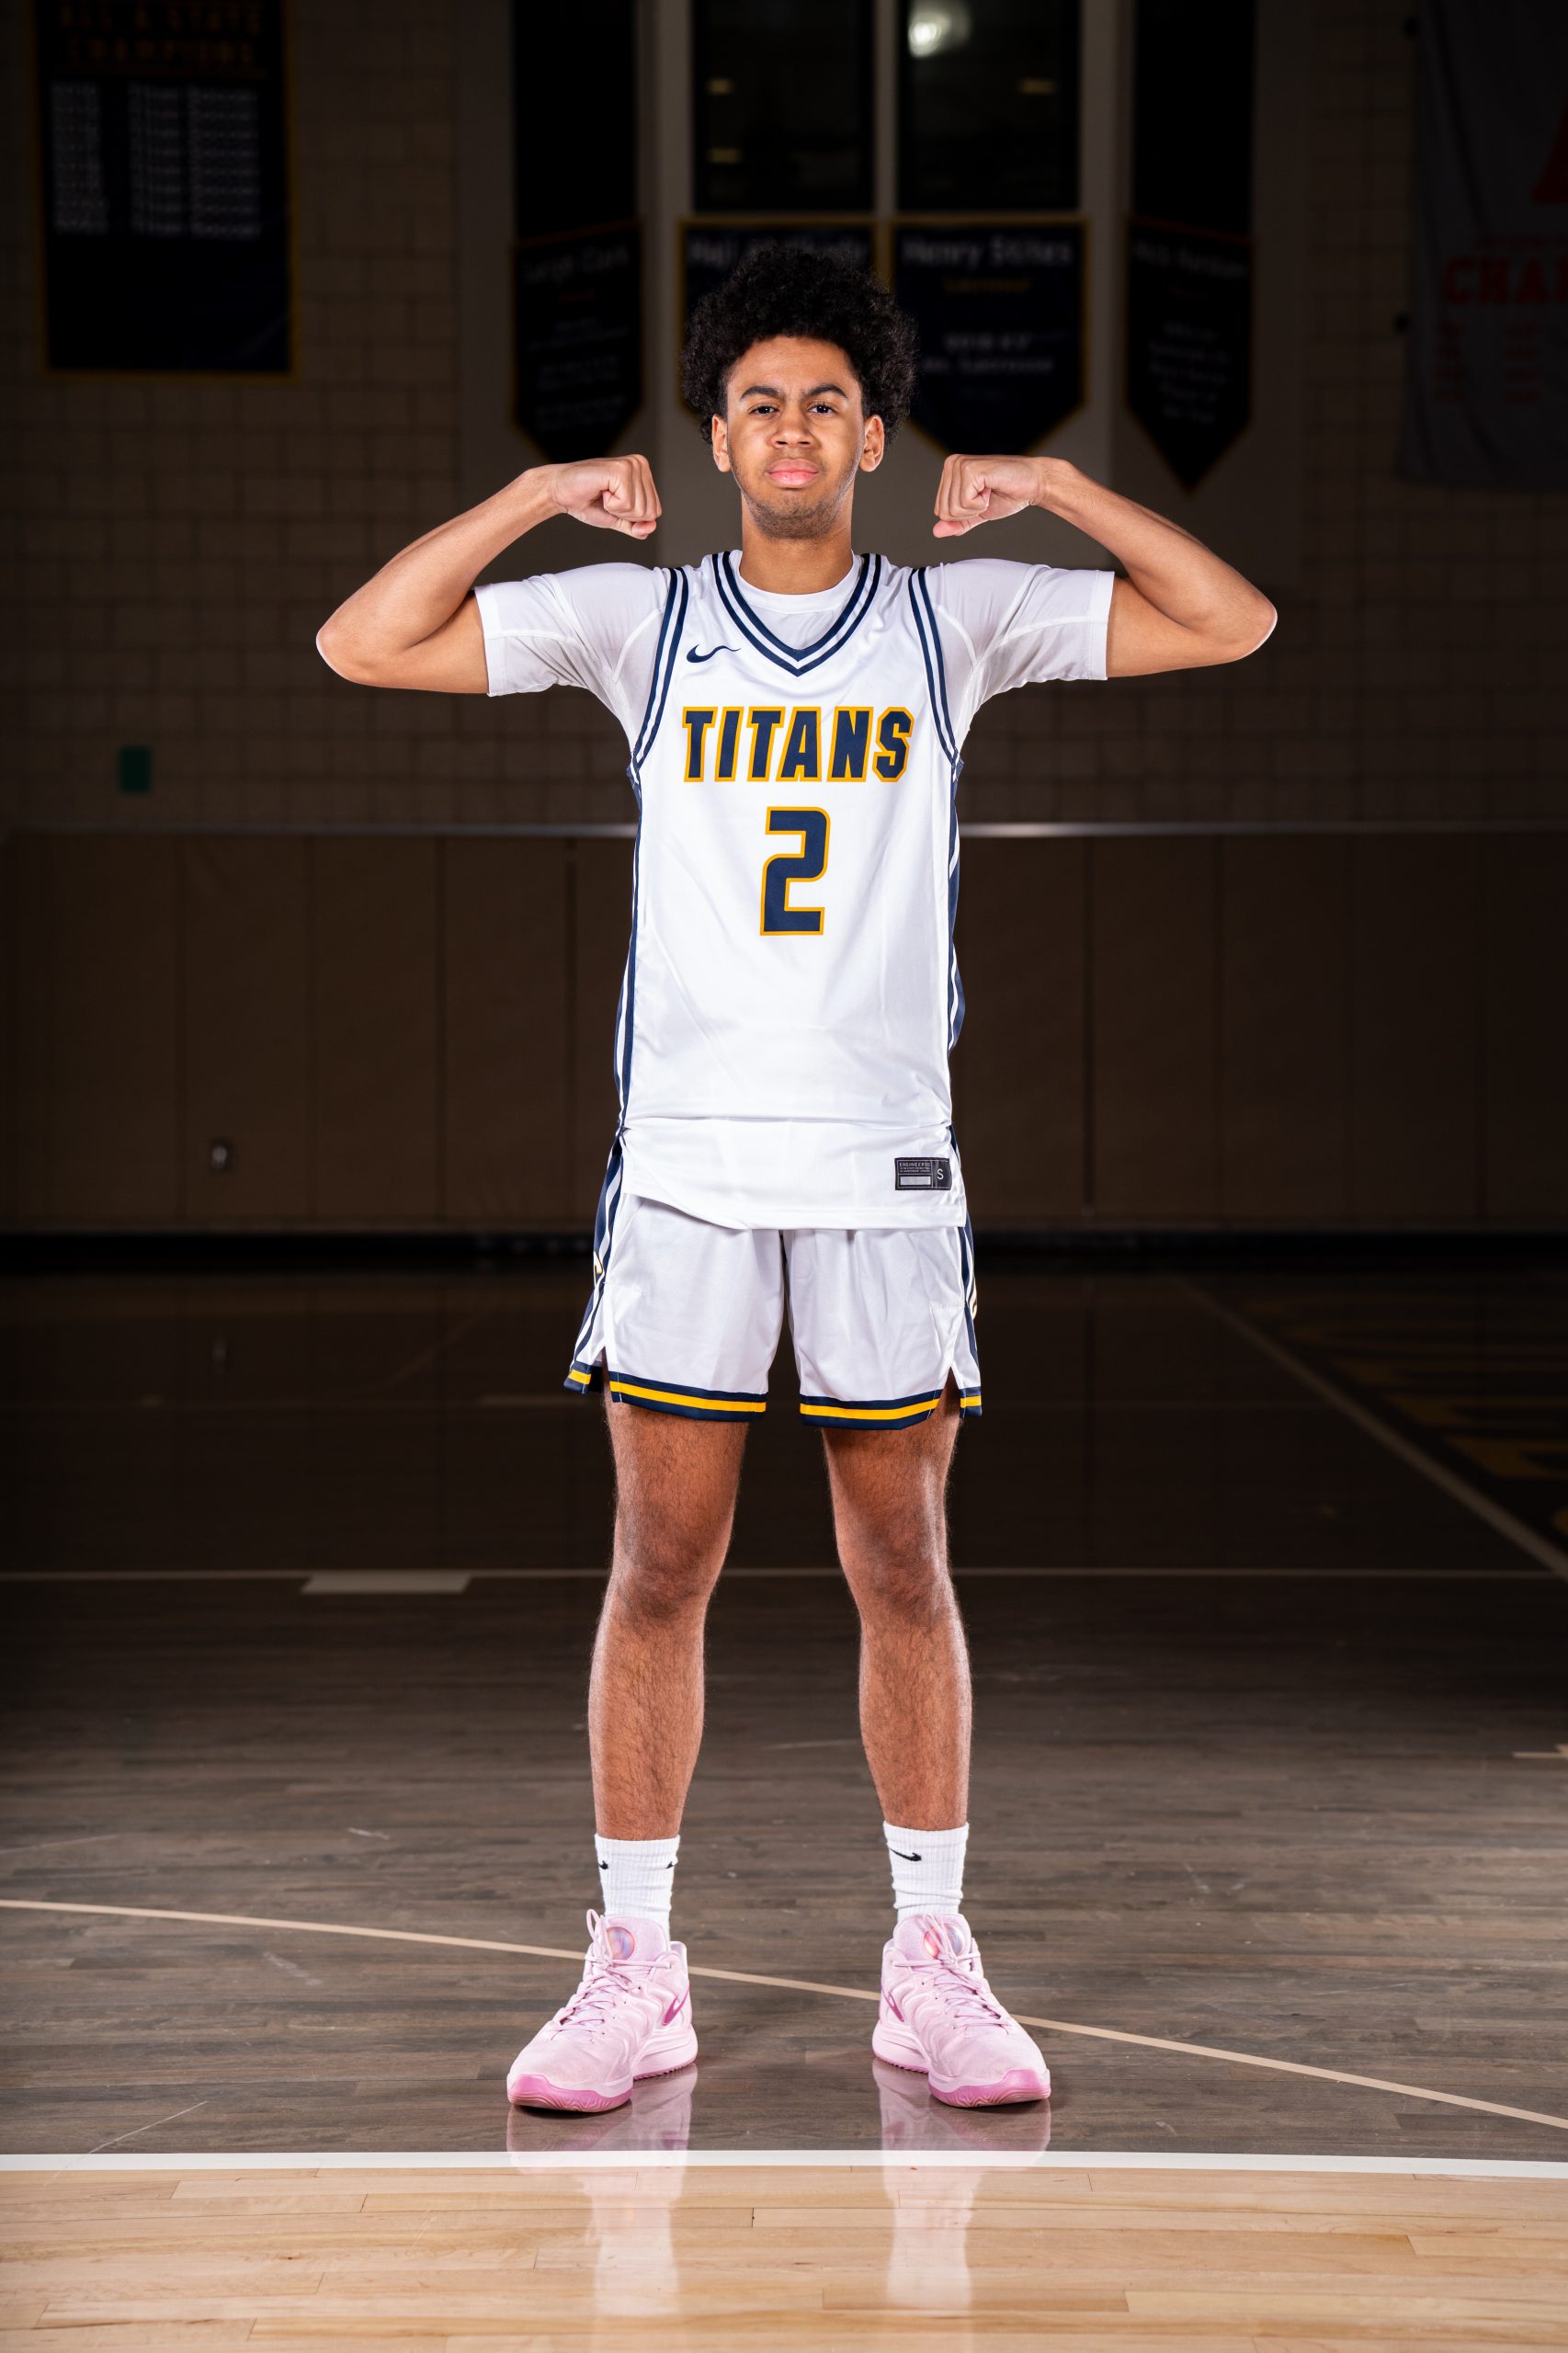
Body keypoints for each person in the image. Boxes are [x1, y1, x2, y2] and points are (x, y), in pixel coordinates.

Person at [316, 246, 1276, 2116]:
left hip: (882, 1173)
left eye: (826, 400)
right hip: (687, 1171)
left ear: (871, 433)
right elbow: (364, 642)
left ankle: (929, 1961)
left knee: (901, 1564)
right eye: (757, 399)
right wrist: (532, 494)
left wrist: (1058, 484)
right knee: (659, 1563)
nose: (790, 429)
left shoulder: (953, 617)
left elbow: (1228, 619)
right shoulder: (639, 620)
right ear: (713, 430)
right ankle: (633, 1965)